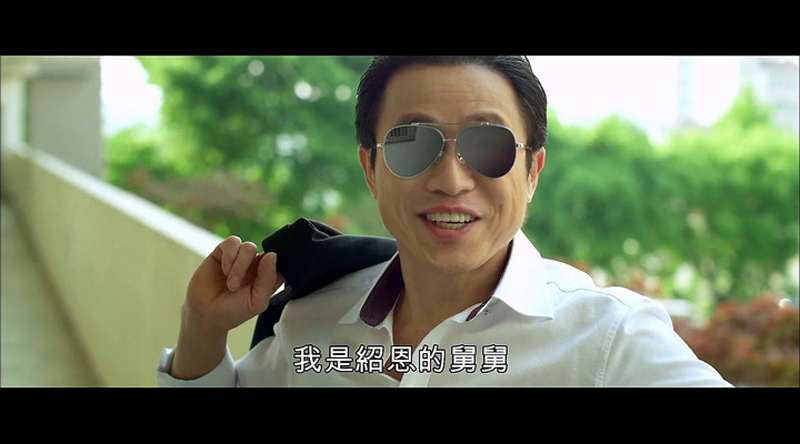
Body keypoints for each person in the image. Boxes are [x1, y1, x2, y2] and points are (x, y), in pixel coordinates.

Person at [156, 56, 732, 387]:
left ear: (532, 171)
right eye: (412, 143)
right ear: (371, 168)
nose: (452, 180)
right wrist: (201, 329)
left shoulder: (610, 341)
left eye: (488, 144)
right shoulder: (312, 323)